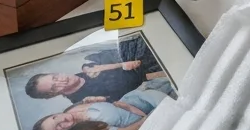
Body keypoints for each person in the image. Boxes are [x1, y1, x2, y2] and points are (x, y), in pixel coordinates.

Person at [31, 76, 176, 130]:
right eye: (58, 128)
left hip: (141, 95)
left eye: (55, 118)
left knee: (176, 78)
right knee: (180, 104)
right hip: (151, 114)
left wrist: (123, 105)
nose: (62, 121)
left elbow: (108, 100)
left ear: (53, 114)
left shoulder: (73, 106)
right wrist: (148, 118)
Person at [25, 39, 165, 104]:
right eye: (55, 86)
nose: (62, 80)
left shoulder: (89, 62)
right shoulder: (85, 102)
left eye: (55, 77)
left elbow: (114, 50)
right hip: (155, 76)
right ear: (52, 95)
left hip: (147, 52)